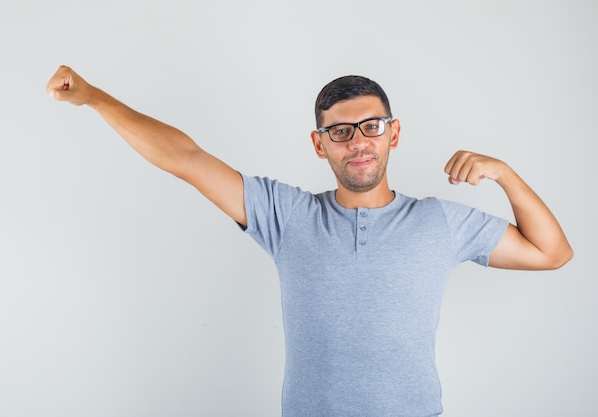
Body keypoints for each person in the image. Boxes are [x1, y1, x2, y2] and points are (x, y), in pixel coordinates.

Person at [46, 66, 573, 417]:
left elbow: (553, 253)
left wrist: (504, 173)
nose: (358, 141)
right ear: (320, 146)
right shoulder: (288, 215)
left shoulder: (440, 222)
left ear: (394, 133)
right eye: (341, 132)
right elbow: (185, 159)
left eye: (371, 126)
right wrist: (93, 98)